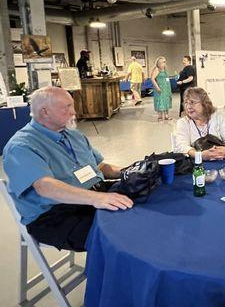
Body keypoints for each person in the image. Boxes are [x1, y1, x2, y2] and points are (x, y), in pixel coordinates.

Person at [2, 86, 133, 251]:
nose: (74, 112)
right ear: (45, 112)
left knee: (144, 199)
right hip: (54, 214)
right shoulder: (22, 146)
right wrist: (96, 198)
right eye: (67, 107)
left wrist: (130, 171)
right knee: (123, 234)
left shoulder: (73, 135)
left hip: (92, 194)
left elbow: (100, 166)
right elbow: (45, 187)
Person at [174, 87, 225, 160]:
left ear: (204, 103)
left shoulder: (218, 118)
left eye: (192, 102)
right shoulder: (183, 123)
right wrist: (200, 155)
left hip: (219, 160)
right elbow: (182, 146)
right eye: (186, 103)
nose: (188, 107)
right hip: (196, 164)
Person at [150, 56, 172, 122]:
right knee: (160, 101)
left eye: (165, 62)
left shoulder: (165, 70)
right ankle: (159, 116)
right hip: (160, 88)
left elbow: (167, 78)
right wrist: (157, 87)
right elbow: (152, 79)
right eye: (163, 62)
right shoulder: (157, 69)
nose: (164, 63)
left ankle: (166, 115)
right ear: (159, 63)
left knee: (166, 100)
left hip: (166, 88)